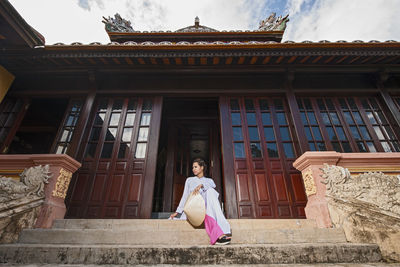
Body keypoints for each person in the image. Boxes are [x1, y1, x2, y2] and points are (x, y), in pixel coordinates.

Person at [169, 158, 231, 245]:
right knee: (209, 194)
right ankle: (219, 234)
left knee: (210, 191)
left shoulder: (209, 181)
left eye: (195, 167)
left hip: (207, 209)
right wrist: (178, 211)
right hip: (194, 209)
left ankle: (219, 232)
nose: (193, 169)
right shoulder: (189, 180)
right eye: (192, 167)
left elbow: (212, 188)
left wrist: (202, 185)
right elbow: (185, 196)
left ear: (202, 168)